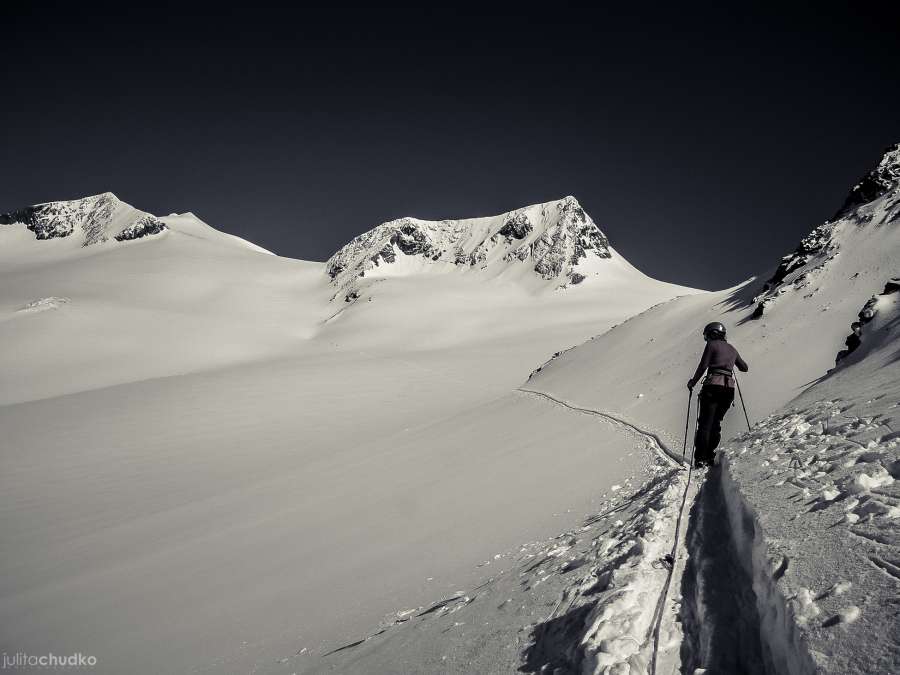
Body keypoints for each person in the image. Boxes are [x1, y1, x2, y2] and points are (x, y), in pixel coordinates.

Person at [686, 322, 749, 468]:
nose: (706, 339)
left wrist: (692, 382)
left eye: (707, 336)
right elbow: (744, 368)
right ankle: (709, 456)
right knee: (715, 423)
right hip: (728, 390)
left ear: (712, 334)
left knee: (705, 424)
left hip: (712, 386)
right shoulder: (732, 349)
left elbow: (703, 365)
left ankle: (701, 458)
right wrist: (729, 362)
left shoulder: (712, 345)